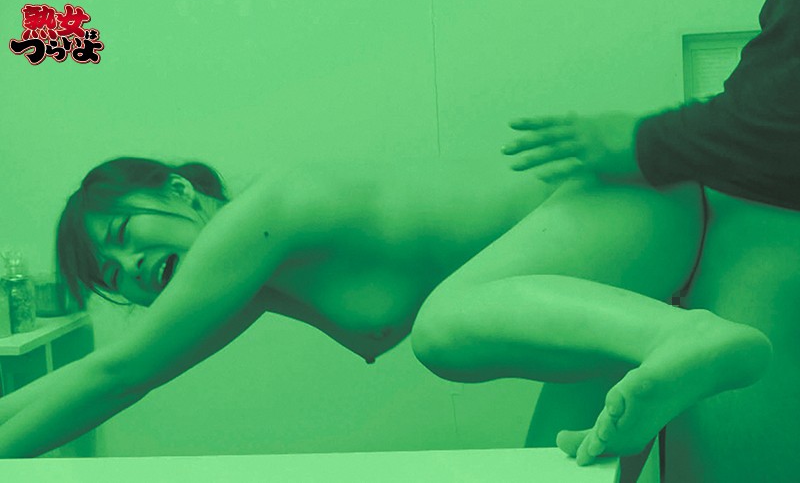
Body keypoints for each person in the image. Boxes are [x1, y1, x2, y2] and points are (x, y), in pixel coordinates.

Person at [0, 152, 771, 462]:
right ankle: (672, 342)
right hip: (605, 257)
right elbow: (123, 374)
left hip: (621, 206)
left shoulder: (255, 221)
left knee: (443, 329)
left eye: (124, 234)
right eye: (115, 273)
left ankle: (686, 336)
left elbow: (118, 371)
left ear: (178, 191)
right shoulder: (249, 285)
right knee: (556, 472)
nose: (133, 267)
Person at [502, 0, 799, 479]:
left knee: (442, 329)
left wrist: (648, 141)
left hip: (757, 237)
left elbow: (786, 108)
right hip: (734, 230)